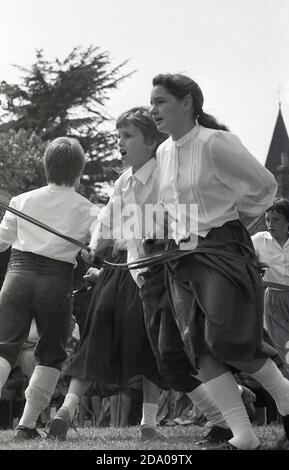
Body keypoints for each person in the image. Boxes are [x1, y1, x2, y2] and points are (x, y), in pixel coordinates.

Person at [48, 107, 232, 444]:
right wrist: (95, 246)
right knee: (126, 347)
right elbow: (106, 224)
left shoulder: (168, 175)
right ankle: (73, 412)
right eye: (118, 135)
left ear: (151, 141)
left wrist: (126, 234)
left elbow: (181, 228)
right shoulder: (122, 181)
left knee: (166, 353)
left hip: (164, 275)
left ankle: (218, 417)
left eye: (128, 135)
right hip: (129, 276)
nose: (120, 142)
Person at [147, 73, 289, 450]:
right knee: (198, 349)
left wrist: (230, 221)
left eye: (160, 101)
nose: (153, 109)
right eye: (153, 102)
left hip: (222, 249)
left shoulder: (216, 143)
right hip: (181, 256)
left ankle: (286, 398)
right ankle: (244, 436)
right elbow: (171, 206)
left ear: (188, 102)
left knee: (226, 338)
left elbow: (265, 186)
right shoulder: (162, 151)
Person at [0, 136, 98, 440]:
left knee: (3, 347)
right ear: (79, 171)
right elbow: (98, 248)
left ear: (46, 167)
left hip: (16, 277)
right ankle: (26, 426)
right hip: (56, 283)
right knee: (51, 353)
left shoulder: (21, 201)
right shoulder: (91, 210)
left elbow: (2, 240)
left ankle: (26, 425)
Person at [252, 198, 289, 377]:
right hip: (274, 301)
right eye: (267, 220)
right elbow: (238, 255)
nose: (270, 224)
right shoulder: (259, 240)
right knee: (286, 352)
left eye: (276, 219)